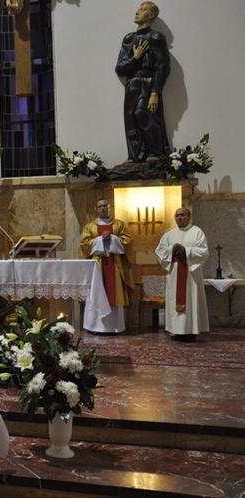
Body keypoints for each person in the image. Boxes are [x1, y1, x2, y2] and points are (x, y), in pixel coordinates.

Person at [115, 2, 171, 163]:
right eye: (138, 9)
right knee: (130, 117)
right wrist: (136, 57)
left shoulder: (156, 37)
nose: (137, 12)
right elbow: (120, 68)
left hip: (148, 83)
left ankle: (154, 151)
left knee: (143, 113)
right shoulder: (129, 38)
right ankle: (135, 155)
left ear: (151, 15)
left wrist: (155, 92)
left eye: (143, 9)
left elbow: (163, 67)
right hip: (132, 83)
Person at [80, 199, 134, 334]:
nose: (103, 208)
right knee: (97, 293)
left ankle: (115, 327)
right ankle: (96, 327)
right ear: (96, 209)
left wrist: (113, 238)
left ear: (109, 208)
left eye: (105, 206)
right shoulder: (90, 227)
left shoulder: (119, 225)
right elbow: (84, 244)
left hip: (115, 264)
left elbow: (128, 242)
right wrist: (100, 239)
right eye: (100, 206)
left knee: (114, 293)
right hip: (97, 265)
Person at [155, 208, 209, 341]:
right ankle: (176, 331)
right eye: (177, 215)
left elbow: (203, 252)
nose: (179, 217)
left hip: (190, 274)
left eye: (182, 215)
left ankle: (191, 331)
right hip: (174, 273)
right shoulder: (169, 234)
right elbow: (159, 251)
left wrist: (186, 250)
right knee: (174, 300)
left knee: (191, 300)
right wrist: (171, 250)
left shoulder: (197, 232)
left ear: (189, 217)